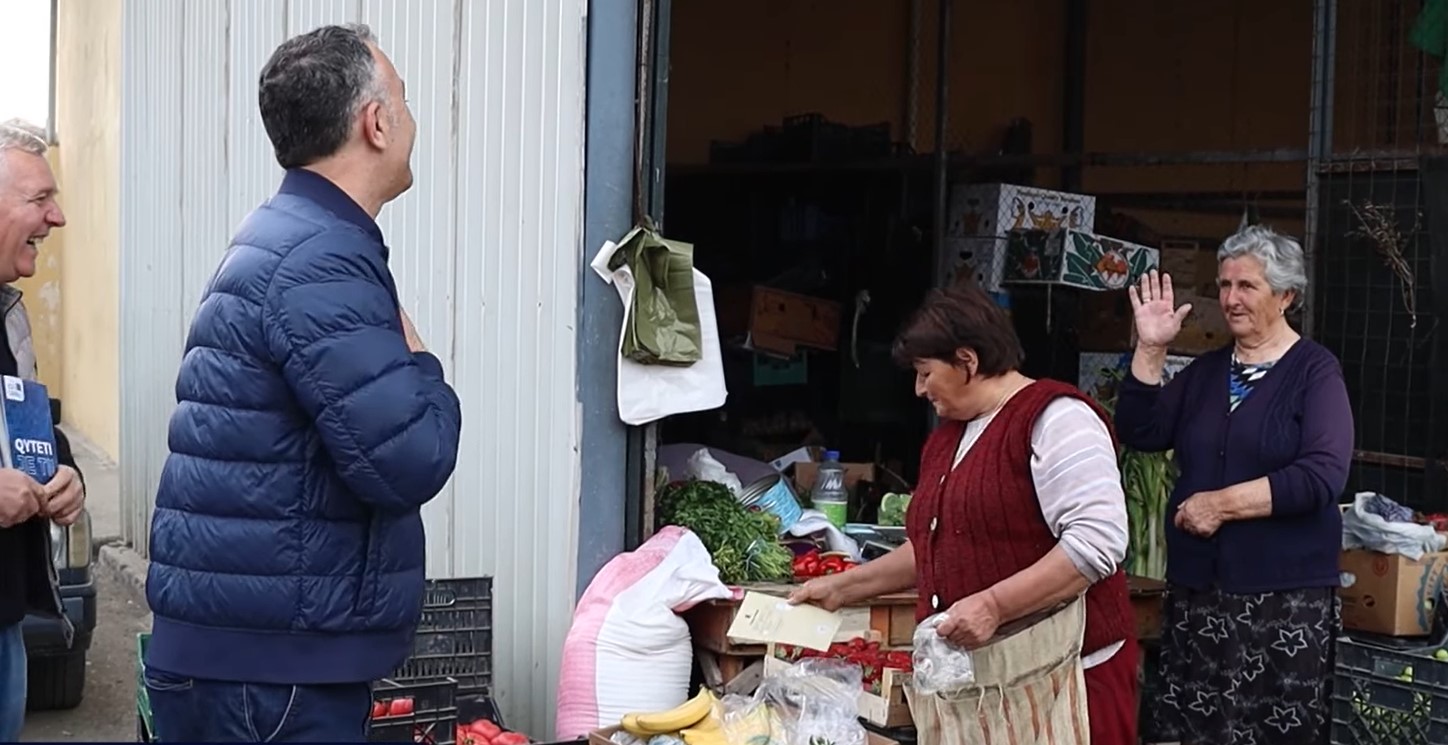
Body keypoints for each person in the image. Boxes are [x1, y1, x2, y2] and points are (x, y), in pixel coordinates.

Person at [142, 25, 463, 743]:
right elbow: (409, 458)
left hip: (250, 661)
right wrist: (424, 363)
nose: (411, 119)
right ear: (375, 123)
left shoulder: (293, 235)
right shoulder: (319, 258)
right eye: (404, 101)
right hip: (267, 677)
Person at [791, 283, 1139, 744]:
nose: (918, 389)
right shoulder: (949, 436)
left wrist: (994, 605)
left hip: (1068, 679)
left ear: (967, 361)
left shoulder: (1058, 419)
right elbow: (938, 545)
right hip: (986, 687)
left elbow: (1096, 546)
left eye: (925, 372)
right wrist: (843, 587)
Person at [1114, 225, 1353, 745]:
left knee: (1265, 731)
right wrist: (1151, 350)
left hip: (1283, 602)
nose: (1230, 298)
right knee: (1194, 729)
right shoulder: (1206, 373)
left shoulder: (1315, 372)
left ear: (1286, 295)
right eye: (1224, 285)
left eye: (1247, 286)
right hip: (1201, 595)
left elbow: (1321, 475)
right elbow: (1140, 431)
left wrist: (1220, 505)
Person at [0, 119, 86, 741]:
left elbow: (29, 428)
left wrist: (66, 477)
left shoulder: (8, 312)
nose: (55, 218)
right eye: (39, 199)